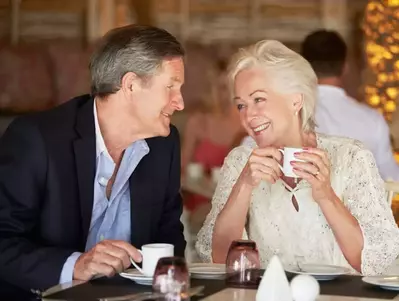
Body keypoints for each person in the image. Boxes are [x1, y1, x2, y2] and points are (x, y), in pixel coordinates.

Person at [0, 25, 186, 293]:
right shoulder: (38, 139)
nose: (180, 103)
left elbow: (169, 237)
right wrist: (76, 266)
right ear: (130, 85)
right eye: (170, 87)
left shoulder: (164, 145)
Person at [196, 40, 399, 275]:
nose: (248, 115)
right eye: (241, 105)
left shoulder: (352, 156)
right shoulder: (241, 160)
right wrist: (244, 185)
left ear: (296, 100)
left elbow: (371, 263)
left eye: (259, 99)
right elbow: (218, 259)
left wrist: (326, 195)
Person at [301, 29, 399, 181]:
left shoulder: (288, 115)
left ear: (302, 67)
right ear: (345, 67)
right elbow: (392, 178)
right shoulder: (373, 120)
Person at [181, 60, 243, 211]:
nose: (227, 95)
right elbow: (181, 168)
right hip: (201, 202)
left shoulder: (245, 123)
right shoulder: (199, 122)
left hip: (234, 204)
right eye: (222, 88)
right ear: (211, 89)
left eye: (232, 88)